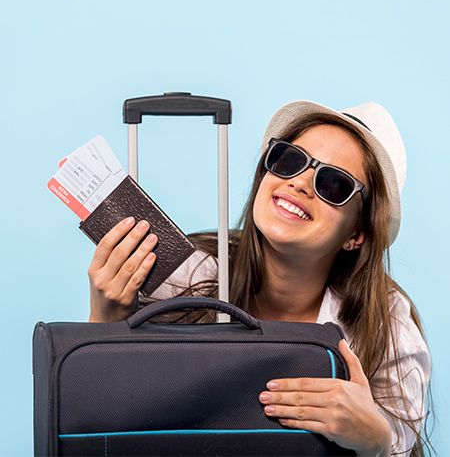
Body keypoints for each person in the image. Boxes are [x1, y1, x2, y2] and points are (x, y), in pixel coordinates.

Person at [88, 100, 433, 457]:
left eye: (333, 183)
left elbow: (397, 440)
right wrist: (104, 323)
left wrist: (377, 442)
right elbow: (106, 419)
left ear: (357, 233)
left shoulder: (385, 321)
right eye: (289, 160)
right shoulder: (190, 275)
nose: (299, 183)